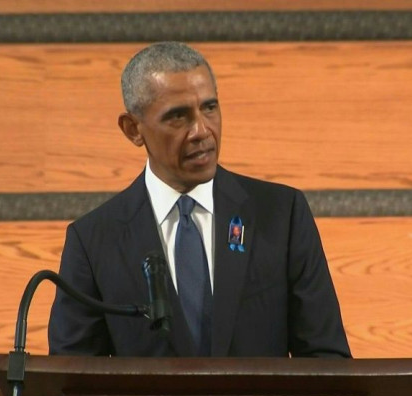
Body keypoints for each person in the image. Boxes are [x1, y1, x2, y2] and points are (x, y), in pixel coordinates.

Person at [48, 42, 351, 358]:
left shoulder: (281, 214)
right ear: (133, 129)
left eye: (209, 107)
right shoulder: (94, 240)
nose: (201, 131)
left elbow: (326, 359)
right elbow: (73, 381)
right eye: (177, 116)